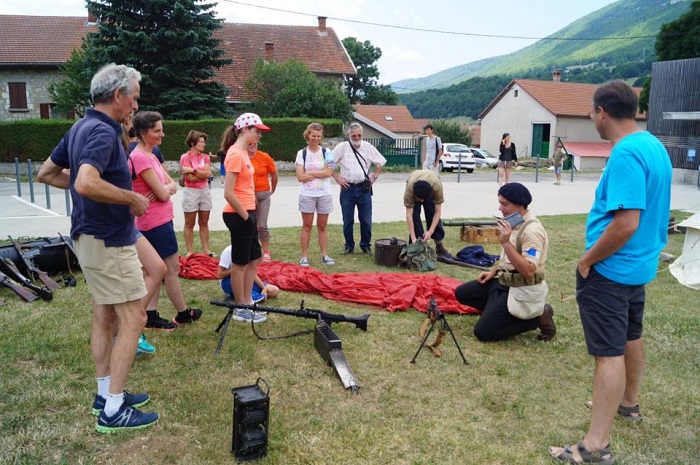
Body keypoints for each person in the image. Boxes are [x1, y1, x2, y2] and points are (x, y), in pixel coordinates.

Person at [549, 81, 672, 465]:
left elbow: (626, 223)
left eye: (591, 111)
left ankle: (595, 446)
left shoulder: (625, 154)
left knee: (608, 354)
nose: (591, 117)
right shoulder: (653, 145)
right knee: (631, 336)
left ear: (601, 111)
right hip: (638, 267)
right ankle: (628, 404)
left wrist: (587, 260)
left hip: (612, 270)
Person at [36, 63, 158, 433]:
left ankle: (105, 394)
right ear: (118, 95)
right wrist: (129, 200)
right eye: (134, 96)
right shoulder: (103, 132)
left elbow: (47, 173)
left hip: (89, 236)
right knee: (134, 318)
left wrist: (87, 186)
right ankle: (114, 410)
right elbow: (87, 182)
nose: (136, 104)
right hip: (107, 238)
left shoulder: (80, 126)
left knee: (104, 316)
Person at [454, 182, 556, 342]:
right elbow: (508, 259)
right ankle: (500, 312)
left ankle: (538, 317)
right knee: (462, 293)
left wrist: (506, 243)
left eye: (504, 204)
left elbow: (529, 270)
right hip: (504, 283)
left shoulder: (532, 231)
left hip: (521, 288)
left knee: (483, 333)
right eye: (500, 203)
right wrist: (494, 271)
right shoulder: (514, 221)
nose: (500, 208)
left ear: (520, 205)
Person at [130, 111, 202, 328]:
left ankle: (150, 316)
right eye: (157, 130)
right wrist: (164, 190)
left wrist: (165, 188)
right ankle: (182, 313)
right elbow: (162, 193)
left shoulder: (151, 155)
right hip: (154, 223)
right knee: (171, 269)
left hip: (158, 220)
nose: (162, 134)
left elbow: (172, 184)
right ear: (143, 133)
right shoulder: (140, 157)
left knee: (153, 270)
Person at [221, 113, 271, 324]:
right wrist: (245, 216)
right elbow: (228, 192)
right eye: (256, 130)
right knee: (239, 263)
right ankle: (240, 308)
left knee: (254, 259)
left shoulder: (243, 153)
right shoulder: (234, 154)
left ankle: (248, 301)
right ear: (244, 130)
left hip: (247, 213)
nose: (259, 135)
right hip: (237, 214)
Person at [331, 123, 386, 255]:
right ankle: (349, 245)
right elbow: (328, 162)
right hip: (347, 189)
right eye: (354, 135)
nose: (356, 138)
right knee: (348, 220)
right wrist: (337, 177)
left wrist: (374, 177)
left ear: (362, 134)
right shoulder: (342, 147)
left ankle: (365, 245)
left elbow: (381, 162)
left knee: (366, 220)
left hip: (363, 189)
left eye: (359, 135)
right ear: (348, 135)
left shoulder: (368, 147)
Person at [295, 122, 335, 267]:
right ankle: (304, 256)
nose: (315, 138)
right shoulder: (302, 153)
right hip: (307, 194)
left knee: (322, 226)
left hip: (324, 194)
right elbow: (300, 177)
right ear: (308, 135)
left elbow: (329, 173)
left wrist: (310, 172)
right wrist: (320, 173)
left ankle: (324, 255)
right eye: (313, 135)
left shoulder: (327, 152)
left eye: (318, 136)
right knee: (307, 226)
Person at [180, 130, 214, 257]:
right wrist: (202, 174)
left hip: (205, 191)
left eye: (204, 142)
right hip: (191, 192)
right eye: (201, 142)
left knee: (204, 222)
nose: (203, 144)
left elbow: (208, 174)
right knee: (189, 223)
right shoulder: (185, 157)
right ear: (193, 143)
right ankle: (190, 251)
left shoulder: (206, 157)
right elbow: (190, 179)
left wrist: (193, 170)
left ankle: (206, 250)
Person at [403, 170, 449, 256]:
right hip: (414, 184)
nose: (422, 201)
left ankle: (439, 244)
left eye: (423, 199)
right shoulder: (409, 191)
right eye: (420, 199)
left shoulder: (437, 187)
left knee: (431, 212)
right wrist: (413, 237)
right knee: (415, 216)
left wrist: (430, 232)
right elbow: (409, 216)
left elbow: (437, 212)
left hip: (431, 185)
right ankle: (416, 244)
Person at [248, 139, 279, 262]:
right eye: (250, 143)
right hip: (249, 194)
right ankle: (253, 250)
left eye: (255, 143)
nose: (253, 146)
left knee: (262, 224)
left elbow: (274, 173)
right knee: (251, 224)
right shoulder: (242, 157)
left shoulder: (264, 156)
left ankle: (266, 251)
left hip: (263, 194)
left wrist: (273, 189)